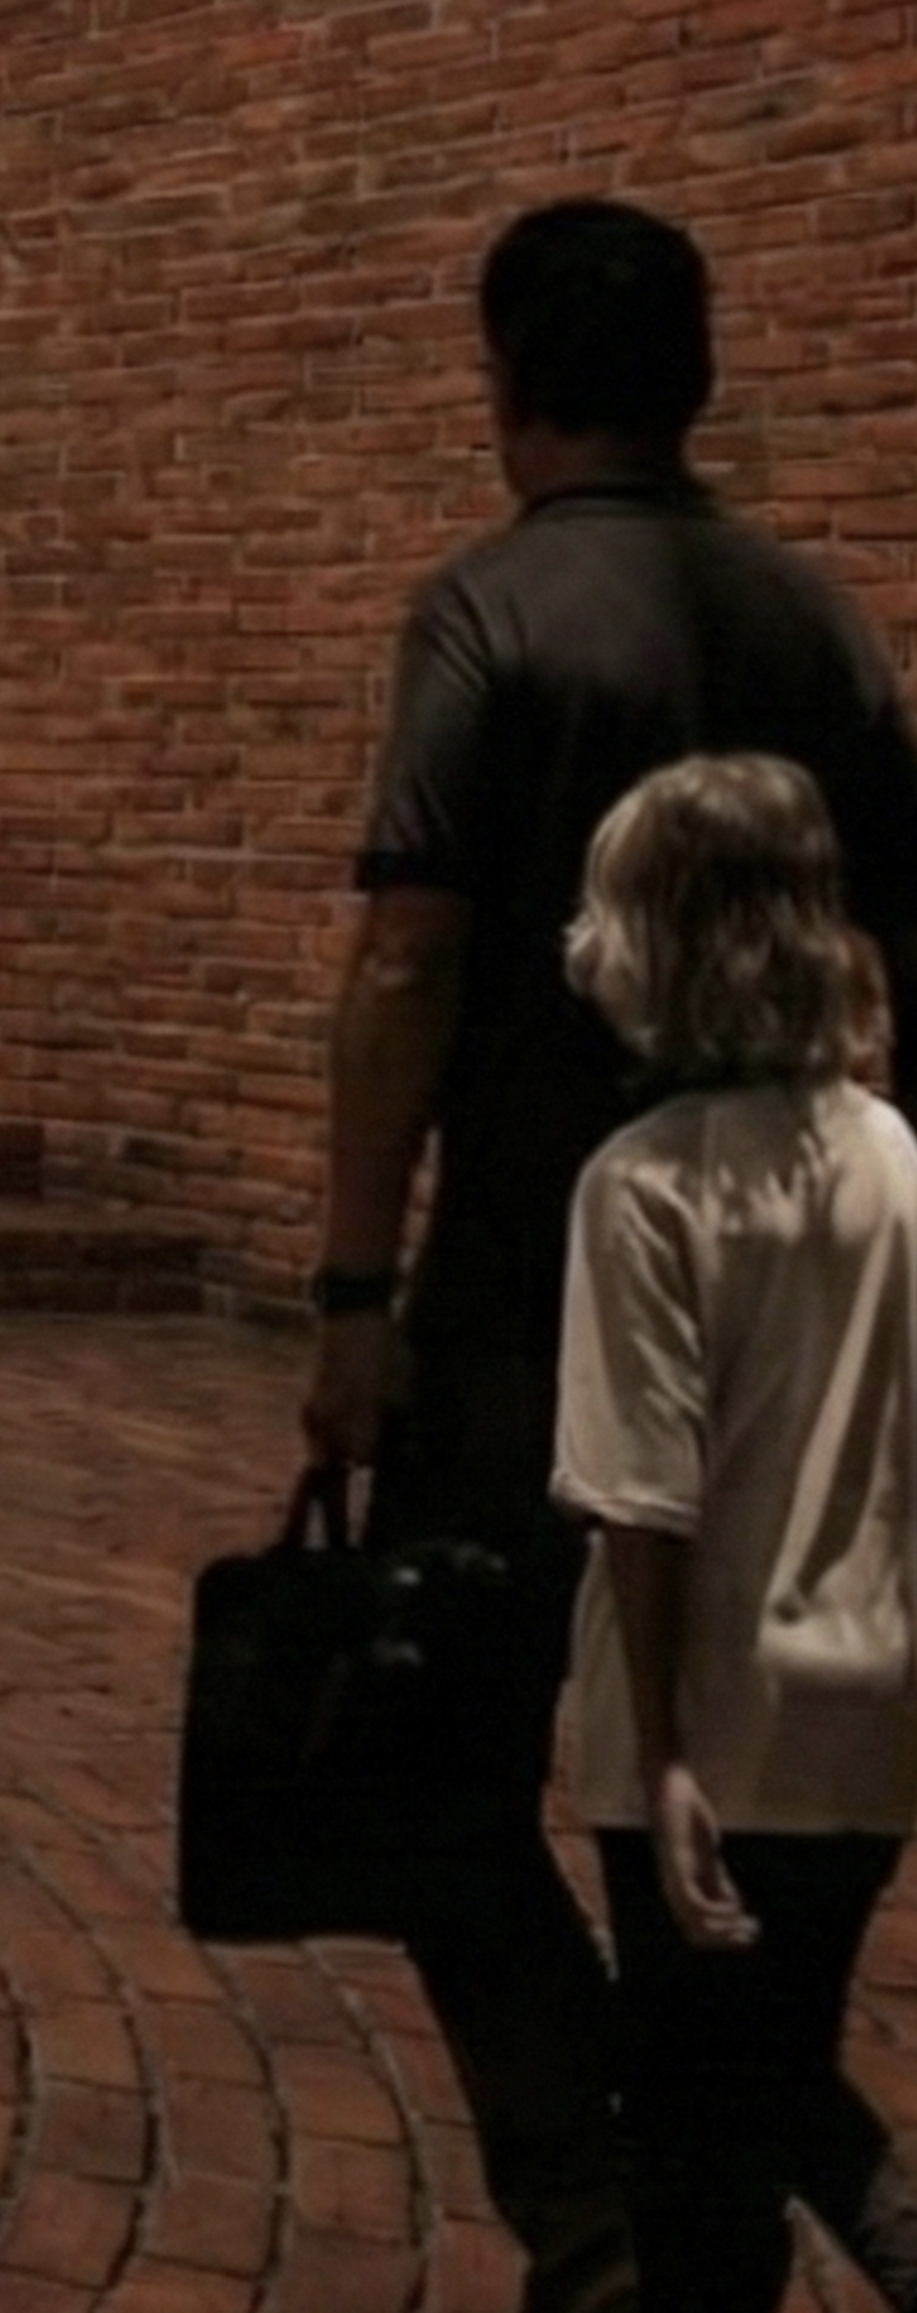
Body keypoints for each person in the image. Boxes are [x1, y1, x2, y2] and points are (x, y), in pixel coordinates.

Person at [311, 198, 917, 2313]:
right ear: (701, 375)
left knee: (442, 1771)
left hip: (520, 1303)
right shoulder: (828, 629)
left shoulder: (484, 613)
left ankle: (610, 2216)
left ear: (505, 380)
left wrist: (351, 1290)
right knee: (713, 1792)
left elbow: (406, 959)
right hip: (786, 1297)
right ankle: (747, 2166)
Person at [552, 753, 917, 2313]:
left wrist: (664, 1754)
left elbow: (642, 1487)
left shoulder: (641, 1185)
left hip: (709, 1712)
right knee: (773, 2070)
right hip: (869, 1705)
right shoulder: (895, 1159)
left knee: (699, 2141)